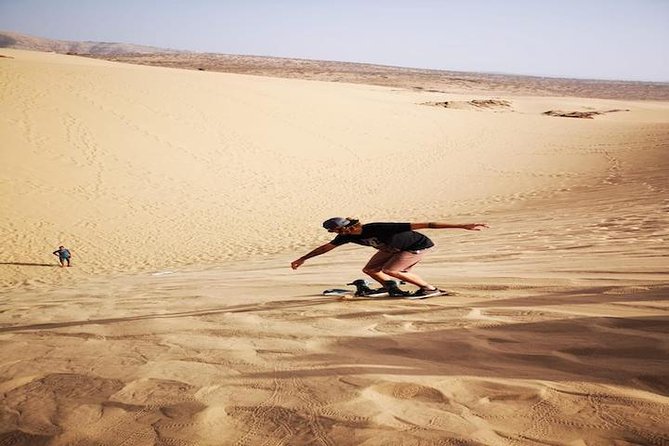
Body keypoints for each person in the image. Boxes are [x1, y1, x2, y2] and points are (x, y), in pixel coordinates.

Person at [291, 217, 488, 297]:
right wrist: (302, 259)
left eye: (334, 230)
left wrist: (462, 225)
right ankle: (390, 287)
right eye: (332, 231)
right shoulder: (345, 237)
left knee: (391, 270)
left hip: (417, 245)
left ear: (345, 226)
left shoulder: (377, 228)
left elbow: (427, 225)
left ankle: (430, 289)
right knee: (369, 270)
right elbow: (324, 249)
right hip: (392, 249)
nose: (334, 233)